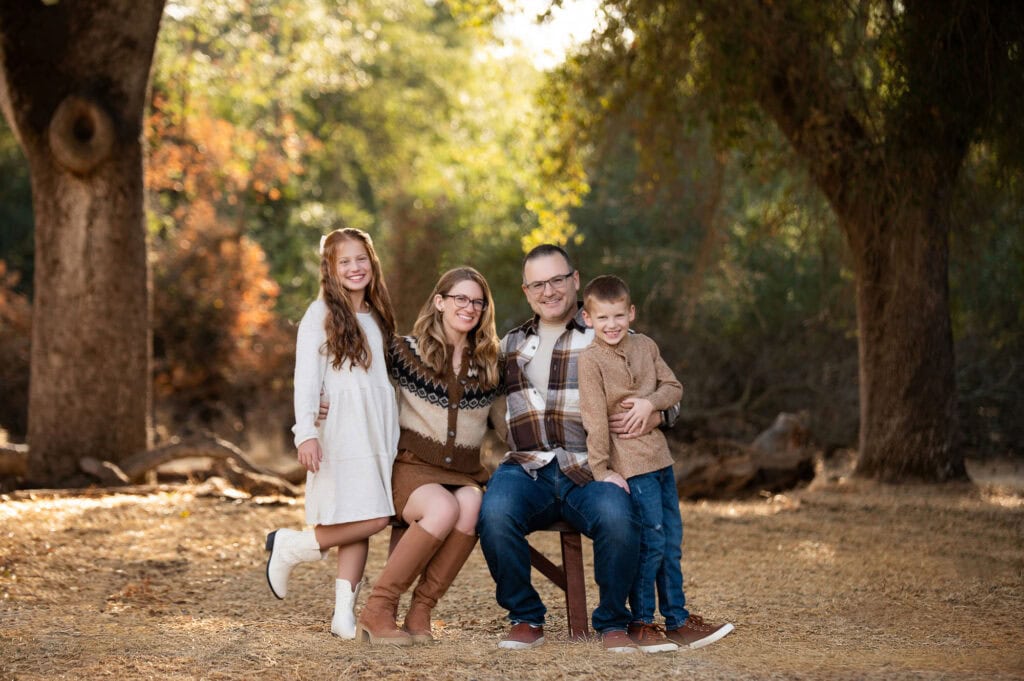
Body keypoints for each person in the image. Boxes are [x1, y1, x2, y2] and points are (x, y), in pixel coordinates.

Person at [478, 244, 729, 653]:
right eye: (538, 284)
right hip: (529, 468)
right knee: (493, 512)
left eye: (557, 280)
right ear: (526, 291)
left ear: (575, 281)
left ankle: (615, 621)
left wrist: (657, 414)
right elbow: (479, 398)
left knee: (618, 515)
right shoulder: (510, 345)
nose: (549, 291)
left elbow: (667, 396)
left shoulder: (609, 332)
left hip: (593, 468)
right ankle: (525, 616)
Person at [578, 275, 734, 653]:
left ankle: (678, 619)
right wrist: (601, 470)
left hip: (660, 458)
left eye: (619, 315)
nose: (612, 325)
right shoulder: (590, 360)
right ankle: (642, 622)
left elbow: (674, 387)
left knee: (672, 541)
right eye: (603, 318)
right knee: (652, 542)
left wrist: (650, 404)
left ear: (631, 313)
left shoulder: (646, 346)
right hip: (631, 465)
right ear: (588, 319)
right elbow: (595, 420)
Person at [352, 267, 503, 646]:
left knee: (471, 506)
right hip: (412, 468)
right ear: (439, 302)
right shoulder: (405, 351)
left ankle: (421, 610)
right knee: (442, 509)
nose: (469, 308)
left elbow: (507, 423)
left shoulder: (490, 363)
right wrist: (322, 405)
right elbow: (361, 382)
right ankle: (378, 608)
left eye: (477, 302)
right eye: (460, 299)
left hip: (465, 472)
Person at [264, 227, 399, 640]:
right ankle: (292, 545)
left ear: (372, 262)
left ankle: (344, 614)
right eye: (345, 261)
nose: (355, 268)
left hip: (375, 430)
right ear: (330, 268)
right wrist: (305, 432)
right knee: (375, 516)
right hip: (341, 429)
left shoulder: (376, 314)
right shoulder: (319, 314)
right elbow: (305, 378)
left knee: (355, 514)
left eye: (361, 259)